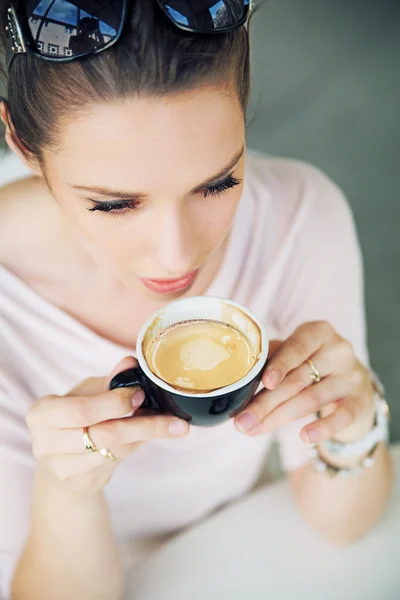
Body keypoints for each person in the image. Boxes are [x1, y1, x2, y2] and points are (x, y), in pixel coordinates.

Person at [0, 1, 393, 599]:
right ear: (21, 146)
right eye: (114, 204)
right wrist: (66, 490)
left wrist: (352, 417)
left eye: (217, 183)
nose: (177, 257)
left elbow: (345, 523)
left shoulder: (298, 217)